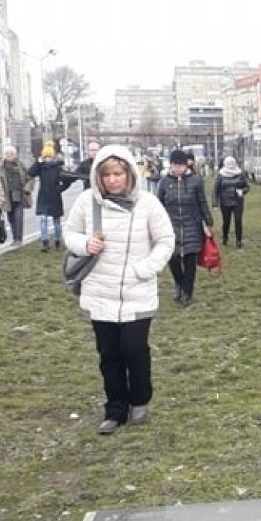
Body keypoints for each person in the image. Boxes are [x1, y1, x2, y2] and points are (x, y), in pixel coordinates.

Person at [64, 143, 175, 436]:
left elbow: (166, 240)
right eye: (106, 175)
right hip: (101, 292)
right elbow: (70, 232)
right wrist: (85, 244)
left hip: (138, 293)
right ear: (98, 177)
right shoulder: (87, 202)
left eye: (118, 174)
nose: (112, 180)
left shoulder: (148, 204)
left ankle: (140, 398)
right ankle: (115, 408)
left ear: (129, 174)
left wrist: (145, 268)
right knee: (109, 353)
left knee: (134, 349)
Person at [157, 148, 213, 307]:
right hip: (171, 226)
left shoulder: (195, 180)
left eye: (181, 165)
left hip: (192, 225)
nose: (178, 169)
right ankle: (180, 285)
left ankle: (187, 292)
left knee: (190, 261)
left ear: (186, 165)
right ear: (171, 165)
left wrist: (208, 222)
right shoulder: (164, 182)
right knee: (173, 259)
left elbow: (202, 202)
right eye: (175, 165)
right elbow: (158, 205)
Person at [27, 142, 66, 251]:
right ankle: (45, 241)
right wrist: (38, 163)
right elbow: (30, 173)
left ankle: (58, 240)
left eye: (49, 156)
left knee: (56, 221)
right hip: (43, 196)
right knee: (43, 219)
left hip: (55, 197)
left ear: (52, 157)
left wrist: (59, 189)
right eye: (45, 157)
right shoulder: (41, 167)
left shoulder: (58, 167)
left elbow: (67, 180)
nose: (47, 159)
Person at [0, 146, 33, 245]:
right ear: (4, 155)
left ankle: (19, 239)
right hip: (6, 197)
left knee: (18, 217)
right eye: (7, 153)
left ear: (15, 155)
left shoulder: (21, 166)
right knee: (11, 218)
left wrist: (27, 188)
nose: (9, 155)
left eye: (11, 153)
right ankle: (14, 238)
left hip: (20, 195)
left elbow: (30, 177)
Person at [213, 155, 249, 247]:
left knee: (238, 220)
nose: (231, 165)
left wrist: (242, 191)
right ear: (225, 164)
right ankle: (225, 238)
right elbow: (215, 190)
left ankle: (239, 241)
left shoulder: (240, 174)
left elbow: (247, 187)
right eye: (229, 164)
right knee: (226, 221)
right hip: (225, 202)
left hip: (238, 202)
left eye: (233, 163)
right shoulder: (221, 175)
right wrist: (215, 203)